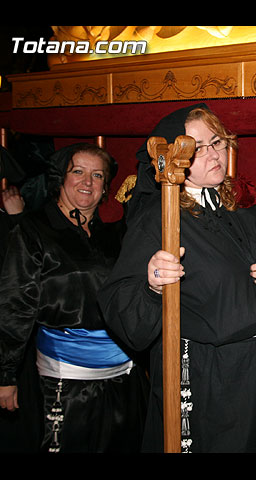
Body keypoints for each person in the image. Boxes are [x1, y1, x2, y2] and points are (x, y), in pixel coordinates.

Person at [98, 103, 256, 453]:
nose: (214, 155)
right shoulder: (159, 219)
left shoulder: (247, 201)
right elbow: (122, 308)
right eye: (197, 149)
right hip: (218, 376)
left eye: (217, 142)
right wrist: (152, 286)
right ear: (174, 157)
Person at [0, 142, 148, 453]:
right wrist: (5, 374)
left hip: (124, 380)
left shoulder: (114, 236)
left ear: (105, 186)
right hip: (64, 383)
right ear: (60, 179)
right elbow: (15, 303)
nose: (87, 182)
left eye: (97, 175)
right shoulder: (34, 230)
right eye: (78, 172)